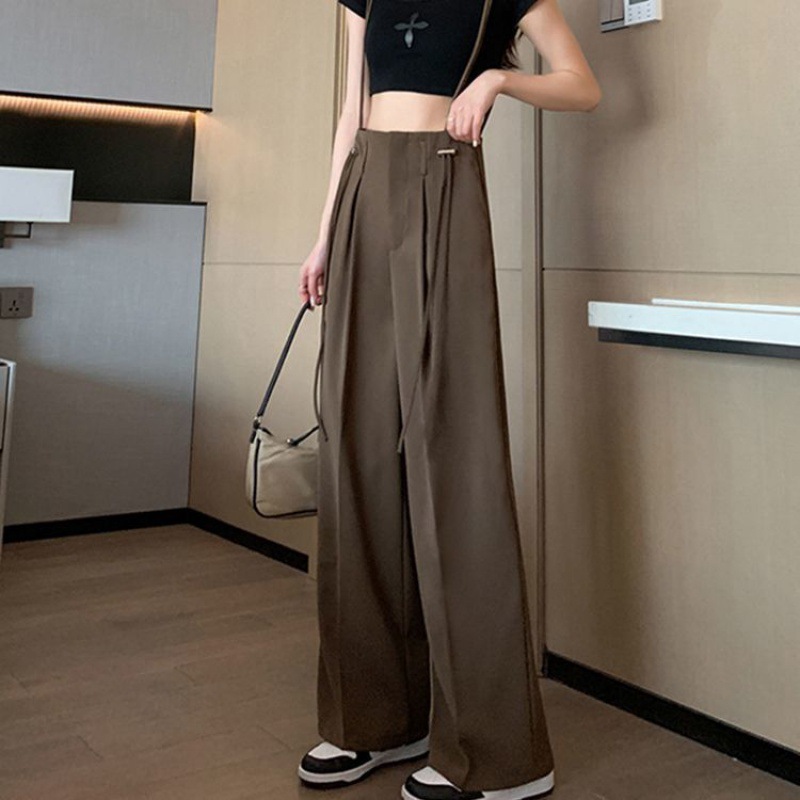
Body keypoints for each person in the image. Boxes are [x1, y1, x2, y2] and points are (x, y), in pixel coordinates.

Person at [297, 1, 601, 798]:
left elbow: (583, 86)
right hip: (364, 189)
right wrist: (325, 234)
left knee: (455, 458)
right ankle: (372, 722)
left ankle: (497, 755)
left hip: (444, 179)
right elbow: (351, 112)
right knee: (357, 454)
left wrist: (500, 79)